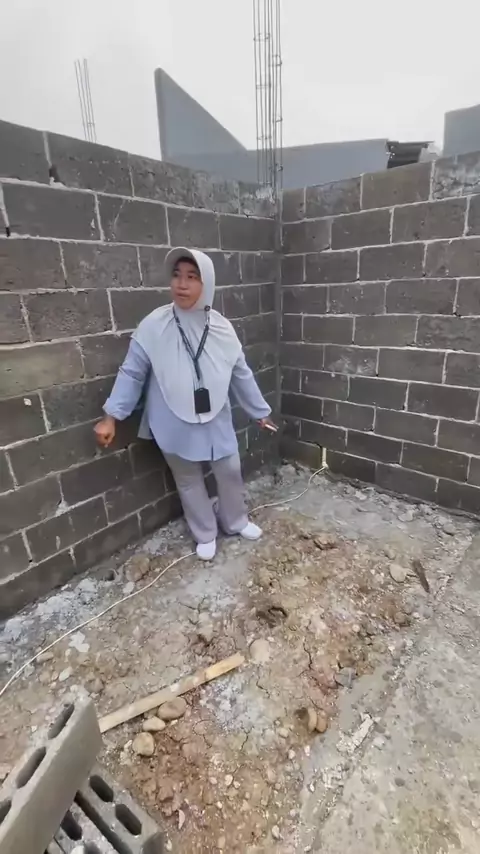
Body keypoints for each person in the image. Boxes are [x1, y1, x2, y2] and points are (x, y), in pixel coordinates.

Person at [94, 247, 277, 561]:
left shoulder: (222, 328)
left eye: (192, 277)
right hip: (171, 416)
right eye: (177, 275)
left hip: (215, 414)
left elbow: (241, 372)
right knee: (188, 477)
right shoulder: (154, 325)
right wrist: (111, 416)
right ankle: (205, 533)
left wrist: (259, 412)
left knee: (229, 469)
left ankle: (235, 521)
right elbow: (132, 372)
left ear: (207, 283)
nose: (181, 284)